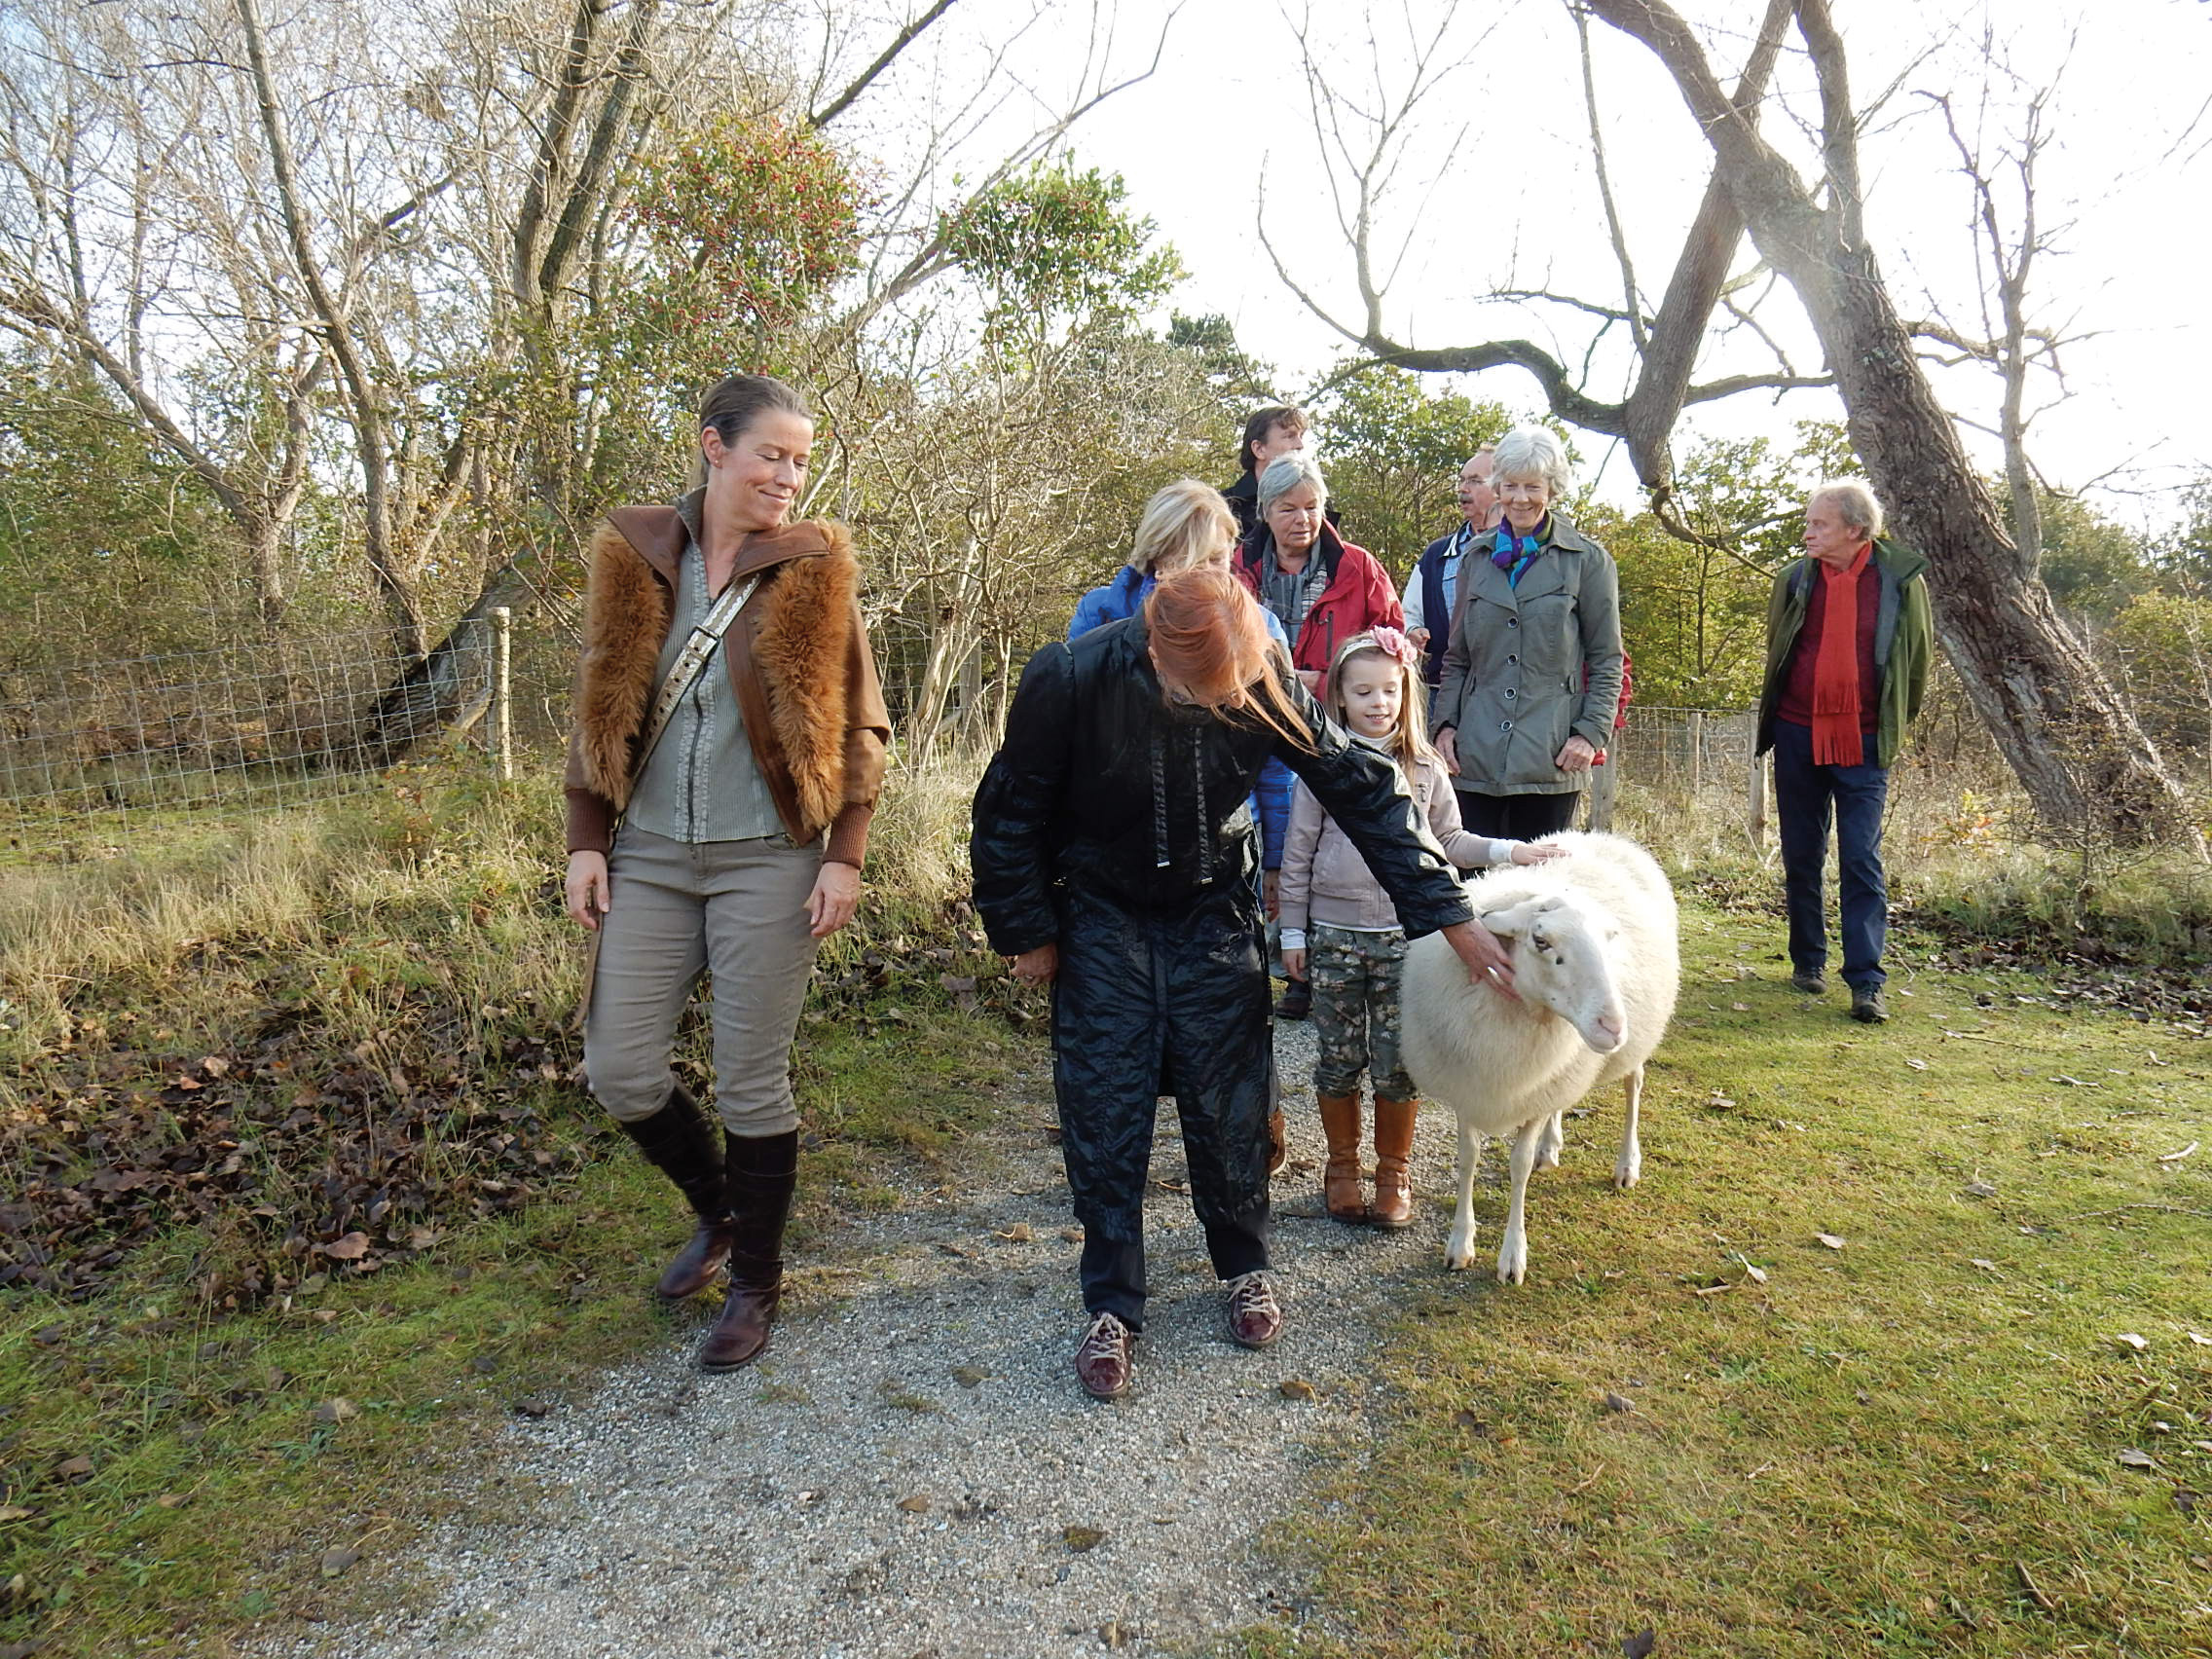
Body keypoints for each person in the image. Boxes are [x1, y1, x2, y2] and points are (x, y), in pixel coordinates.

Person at [971, 563, 1514, 1401]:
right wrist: (1028, 931)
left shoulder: (1257, 675)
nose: (1221, 704)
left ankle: (1244, 1264)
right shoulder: (1070, 676)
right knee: (1103, 1101)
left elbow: (1365, 792)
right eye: (1201, 688)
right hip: (1102, 910)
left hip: (1211, 907)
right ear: (1156, 646)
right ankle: (1113, 1300)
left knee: (1229, 1096)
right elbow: (1008, 811)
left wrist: (1452, 914)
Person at [563, 373, 891, 1373]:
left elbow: (860, 721)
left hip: (771, 860)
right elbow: (601, 701)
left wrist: (843, 855)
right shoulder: (636, 555)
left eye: (800, 460)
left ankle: (756, 1281)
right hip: (651, 857)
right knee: (619, 1069)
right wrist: (585, 836)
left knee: (751, 1080)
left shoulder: (814, 565)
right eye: (770, 457)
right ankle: (718, 1215)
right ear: (713, 447)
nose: (789, 478)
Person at [1278, 629, 1565, 1229]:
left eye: (1388, 690)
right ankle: (1341, 1168)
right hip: (1333, 935)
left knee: (1396, 1059)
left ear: (1406, 693)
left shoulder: (1427, 767)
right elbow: (1298, 852)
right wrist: (1295, 934)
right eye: (1362, 693)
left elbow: (1450, 843)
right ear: (1340, 699)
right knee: (1337, 1055)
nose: (1377, 703)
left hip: (1407, 943)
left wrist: (1511, 852)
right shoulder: (1321, 767)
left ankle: (1392, 1172)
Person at [1067, 479, 1298, 1169]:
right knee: (1125, 1015)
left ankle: (1260, 1116)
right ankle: (1118, 1148)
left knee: (1235, 997)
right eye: (1208, 560)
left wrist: (1279, 861)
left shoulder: (1261, 628)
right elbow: (1071, 745)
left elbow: (1278, 768)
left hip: (1225, 849)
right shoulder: (1098, 617)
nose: (1222, 575)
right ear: (1163, 557)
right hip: (1120, 855)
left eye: (1227, 561)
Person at [1233, 450, 1403, 1018]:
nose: (1301, 518)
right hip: (1255, 722)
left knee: (1336, 841)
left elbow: (1391, 643)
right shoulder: (1238, 569)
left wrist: (1325, 680)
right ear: (1265, 511)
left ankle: (1324, 969)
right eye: (1287, 507)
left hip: (1337, 726)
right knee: (1275, 842)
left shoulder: (1358, 567)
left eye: (1311, 506)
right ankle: (1266, 962)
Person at [1754, 479, 1933, 1025]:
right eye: (1809, 523)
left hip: (1865, 738)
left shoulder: (1900, 581)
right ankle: (1807, 961)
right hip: (1796, 732)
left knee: (1860, 857)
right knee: (1802, 852)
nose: (1807, 532)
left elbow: (1918, 657)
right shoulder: (1795, 578)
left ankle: (1866, 982)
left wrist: (1892, 726)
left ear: (1855, 530)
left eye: (1819, 524)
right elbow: (1778, 647)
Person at [1431, 425, 1624, 840]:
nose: (1521, 498)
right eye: (1511, 486)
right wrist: (1444, 727)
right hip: (1474, 758)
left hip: (1551, 758)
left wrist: (1589, 734)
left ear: (1552, 489)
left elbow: (1607, 659)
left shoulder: (1588, 562)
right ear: (1498, 488)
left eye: (1533, 486)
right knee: (1473, 887)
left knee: (1536, 893)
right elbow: (1457, 657)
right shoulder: (1475, 558)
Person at [1403, 447, 1497, 689]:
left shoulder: (1527, 551)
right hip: (1442, 693)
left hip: (1503, 694)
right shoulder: (1436, 555)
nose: (1463, 489)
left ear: (1502, 488)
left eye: (1475, 481)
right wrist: (1412, 631)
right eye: (1462, 480)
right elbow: (1407, 614)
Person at [1220, 405, 1311, 539]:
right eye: (1290, 436)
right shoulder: (1223, 508)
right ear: (1259, 449)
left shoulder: (1318, 503)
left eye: (1301, 436)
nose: (1300, 445)